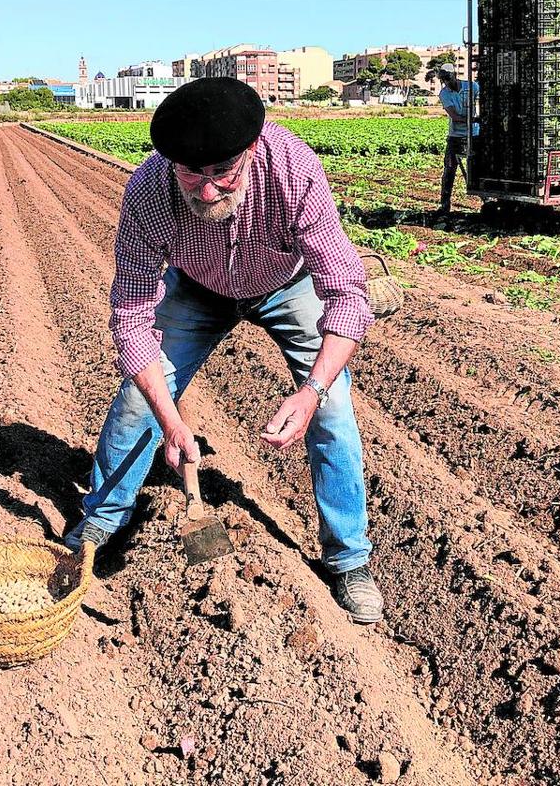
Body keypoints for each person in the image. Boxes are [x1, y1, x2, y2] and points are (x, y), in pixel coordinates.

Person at [63, 77, 384, 623]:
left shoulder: (293, 171)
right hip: (198, 287)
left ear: (251, 152)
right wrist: (170, 420)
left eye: (222, 174)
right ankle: (102, 519)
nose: (207, 191)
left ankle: (348, 559)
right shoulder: (147, 195)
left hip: (288, 282)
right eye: (192, 174)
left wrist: (310, 392)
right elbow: (131, 318)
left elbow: (348, 294)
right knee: (139, 403)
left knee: (332, 410)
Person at [434, 62, 479, 218]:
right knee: (449, 169)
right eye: (444, 80)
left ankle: (488, 200)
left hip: (474, 134)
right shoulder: (444, 94)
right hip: (456, 136)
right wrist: (474, 119)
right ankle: (445, 205)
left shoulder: (471, 87)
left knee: (478, 168)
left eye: (448, 78)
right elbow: (454, 116)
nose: (447, 83)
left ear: (454, 75)